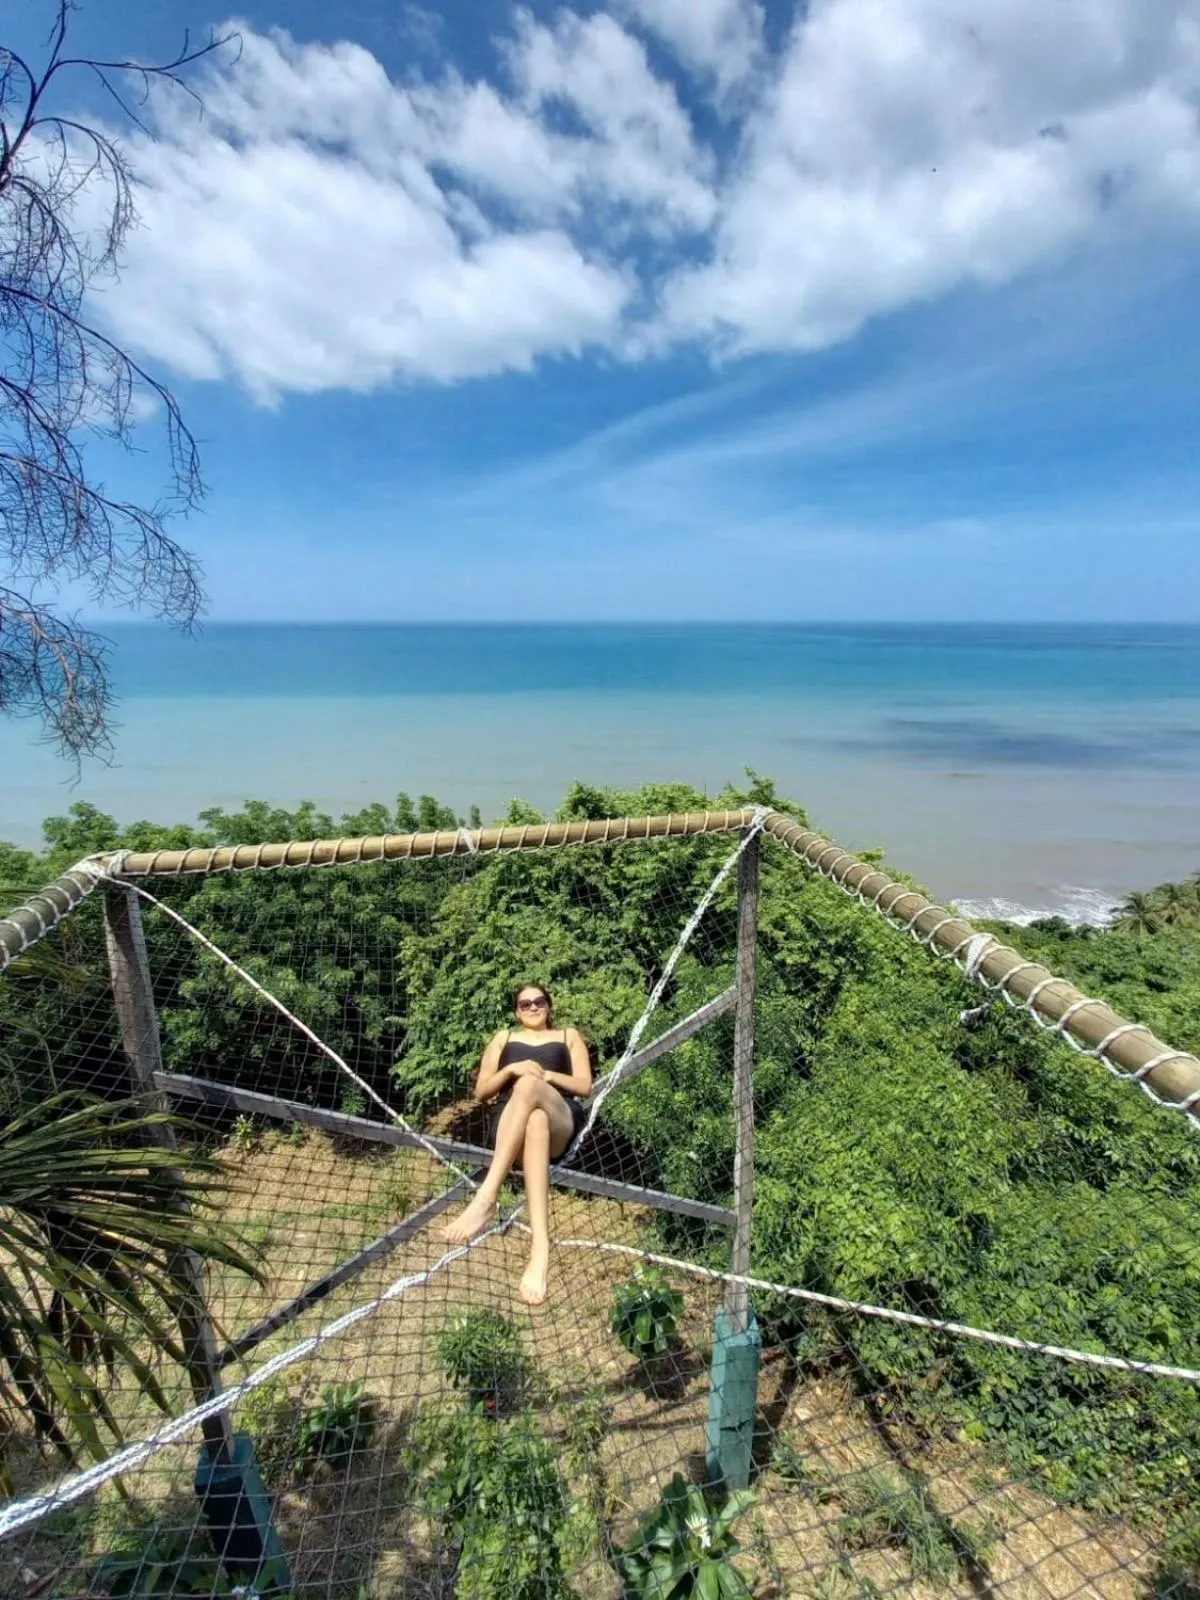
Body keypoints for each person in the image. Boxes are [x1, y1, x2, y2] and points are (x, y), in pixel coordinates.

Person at [441, 983, 592, 1306]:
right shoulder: (503, 1039)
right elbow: (482, 1091)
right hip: (512, 1124)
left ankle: (485, 1198)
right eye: (525, 1004)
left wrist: (544, 1077)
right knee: (532, 1118)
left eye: (539, 1002)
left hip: (560, 1116)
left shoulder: (568, 1036)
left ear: (549, 1006)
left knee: (532, 1095)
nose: (533, 1007)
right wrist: (512, 1068)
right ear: (516, 1011)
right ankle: (540, 1252)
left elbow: (584, 1085)